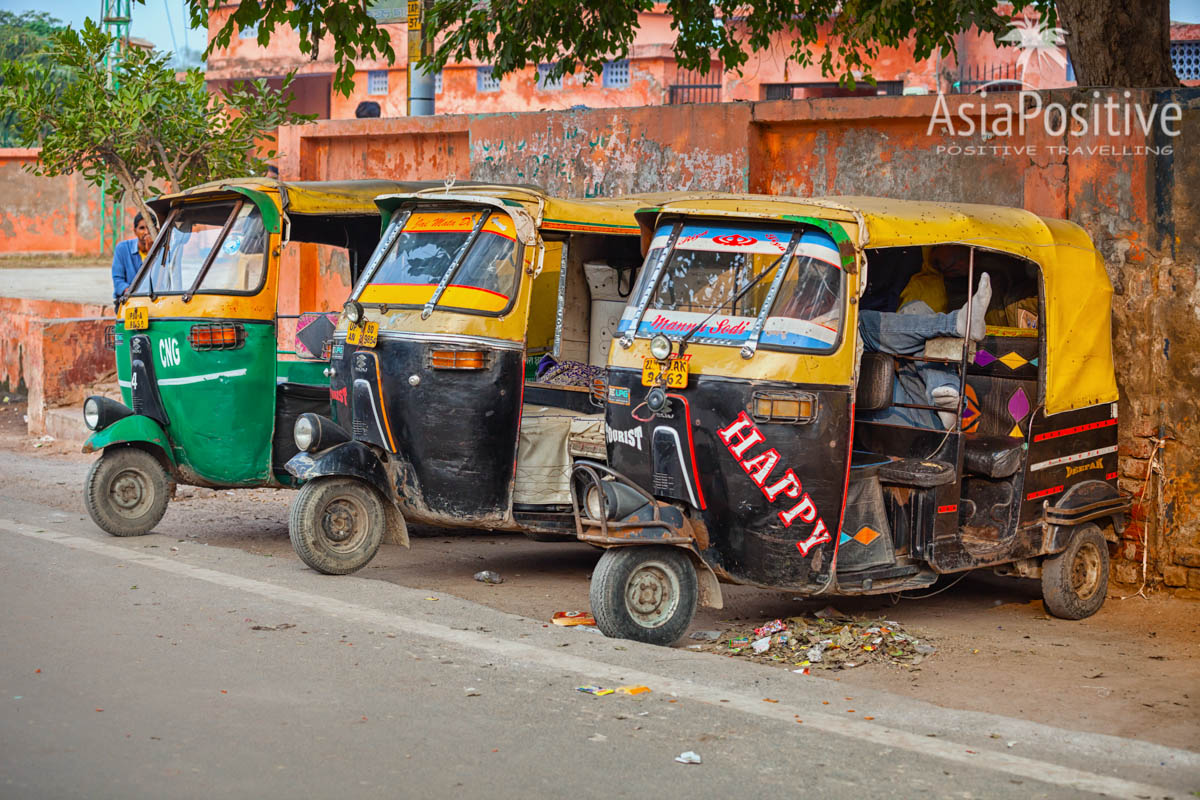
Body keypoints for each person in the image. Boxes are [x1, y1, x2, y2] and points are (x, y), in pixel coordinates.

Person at [858, 245, 992, 430]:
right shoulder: (911, 260)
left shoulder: (927, 280)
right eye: (961, 257)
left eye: (967, 262)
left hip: (916, 410)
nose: (958, 265)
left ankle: (947, 400)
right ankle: (956, 325)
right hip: (889, 412)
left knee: (914, 309)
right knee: (861, 322)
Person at [111, 212, 153, 310]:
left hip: (152, 302)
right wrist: (134, 294)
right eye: (142, 228)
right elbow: (118, 281)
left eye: (149, 228)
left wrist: (151, 254)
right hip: (129, 301)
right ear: (135, 231)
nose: (146, 232)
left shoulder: (161, 251)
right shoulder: (122, 248)